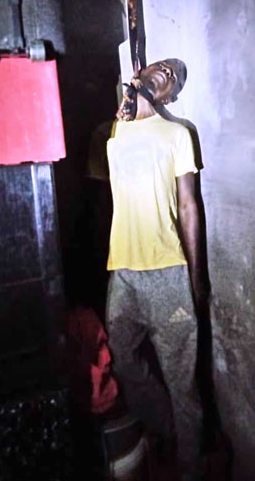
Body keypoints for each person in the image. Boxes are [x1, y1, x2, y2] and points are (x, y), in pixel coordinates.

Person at [105, 58, 208, 480]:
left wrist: (196, 278)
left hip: (168, 271)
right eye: (163, 65)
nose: (168, 70)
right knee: (123, 362)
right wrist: (129, 94)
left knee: (182, 381)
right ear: (141, 75)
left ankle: (191, 467)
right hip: (122, 270)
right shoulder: (116, 130)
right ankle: (166, 430)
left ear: (172, 96)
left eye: (175, 76)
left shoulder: (178, 134)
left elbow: (188, 206)